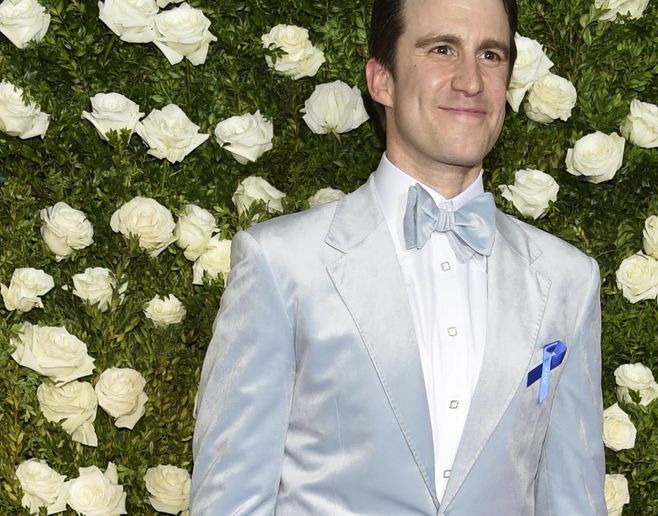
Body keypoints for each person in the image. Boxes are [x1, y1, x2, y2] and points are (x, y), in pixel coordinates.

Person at [190, 0, 605, 513]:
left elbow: (574, 499)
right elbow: (229, 499)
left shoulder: (568, 279)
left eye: (491, 55)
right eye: (441, 49)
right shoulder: (282, 265)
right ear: (381, 80)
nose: (470, 80)